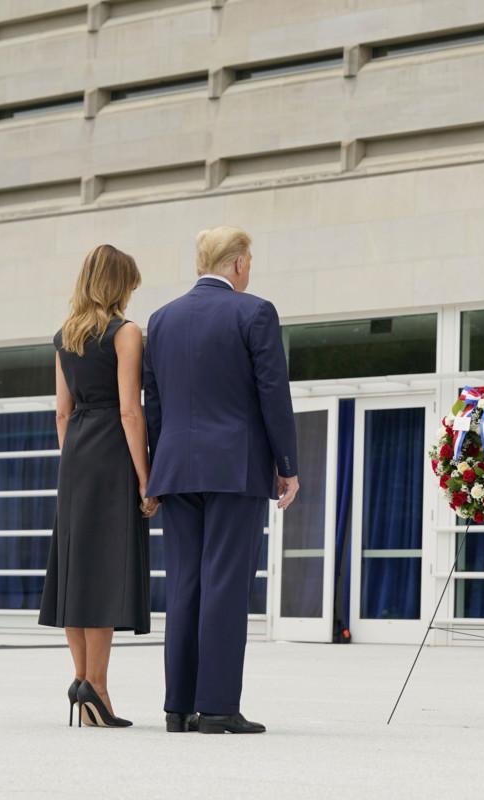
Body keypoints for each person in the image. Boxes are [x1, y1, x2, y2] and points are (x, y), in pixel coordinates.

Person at [143, 225, 299, 735]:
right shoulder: (254, 311)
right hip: (235, 467)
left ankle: (178, 707)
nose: (250, 269)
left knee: (185, 583)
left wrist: (156, 468)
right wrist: (288, 464)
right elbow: (272, 392)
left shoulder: (161, 320)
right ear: (236, 264)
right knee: (226, 585)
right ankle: (217, 709)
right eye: (249, 260)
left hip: (177, 468)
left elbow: (156, 405)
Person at [39, 243, 158, 728]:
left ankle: (81, 679)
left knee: (76, 569)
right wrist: (146, 478)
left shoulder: (63, 337)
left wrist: (74, 458)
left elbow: (61, 413)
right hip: (112, 453)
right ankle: (99, 691)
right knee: (105, 569)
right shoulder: (125, 333)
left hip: (77, 457)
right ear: (120, 283)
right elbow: (131, 410)